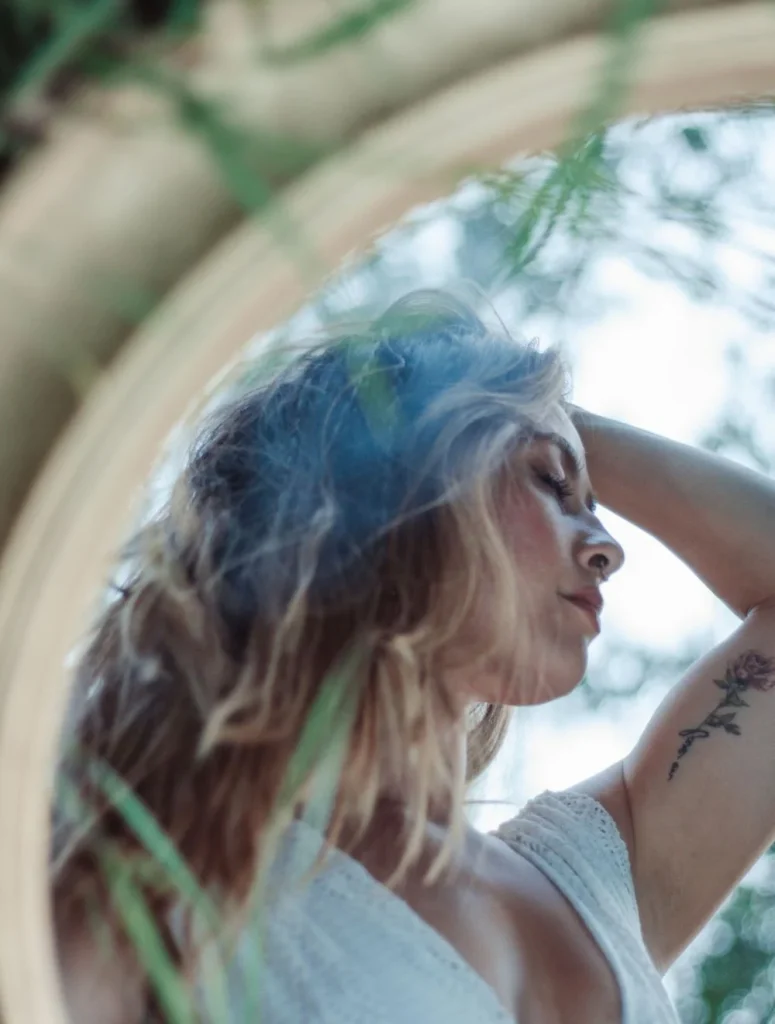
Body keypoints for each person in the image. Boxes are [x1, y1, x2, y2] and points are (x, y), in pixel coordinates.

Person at [52, 289, 775, 1023]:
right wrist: (449, 404)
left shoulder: (599, 882)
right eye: (550, 484)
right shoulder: (161, 855)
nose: (606, 547)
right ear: (405, 492)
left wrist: (541, 415)